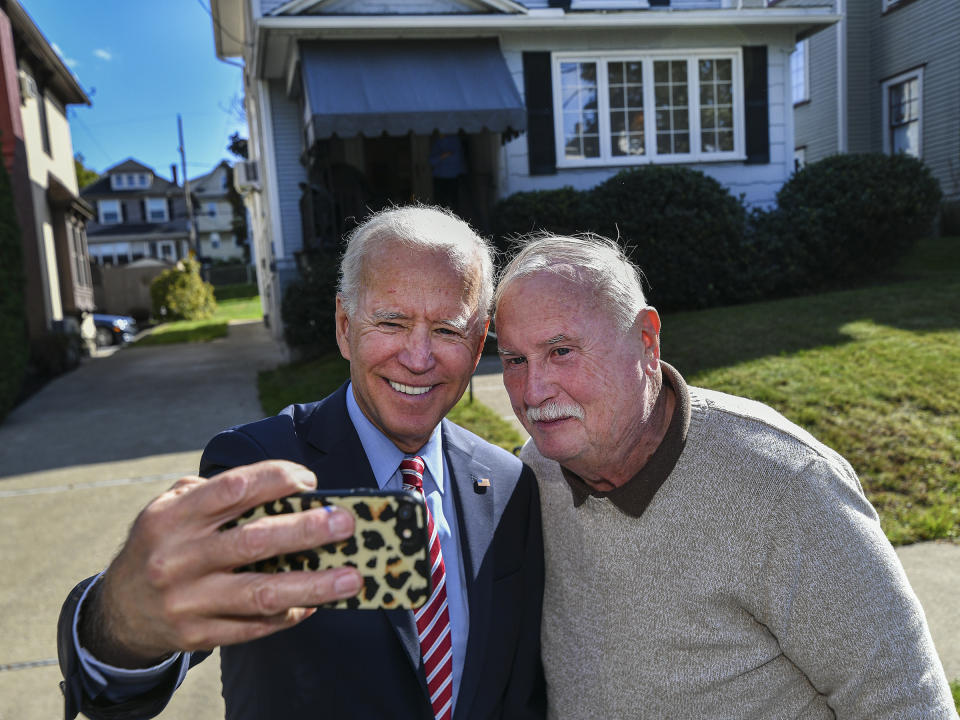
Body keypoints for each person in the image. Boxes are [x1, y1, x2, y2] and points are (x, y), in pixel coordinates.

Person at [57, 206, 545, 720]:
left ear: (477, 345)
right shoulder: (261, 465)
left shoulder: (509, 482)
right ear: (343, 325)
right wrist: (127, 620)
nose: (418, 357)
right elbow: (170, 632)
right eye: (391, 322)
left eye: (447, 330)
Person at [492, 233, 957, 719]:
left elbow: (906, 702)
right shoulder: (530, 475)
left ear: (646, 341)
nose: (535, 390)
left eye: (561, 351)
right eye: (515, 361)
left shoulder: (785, 486)